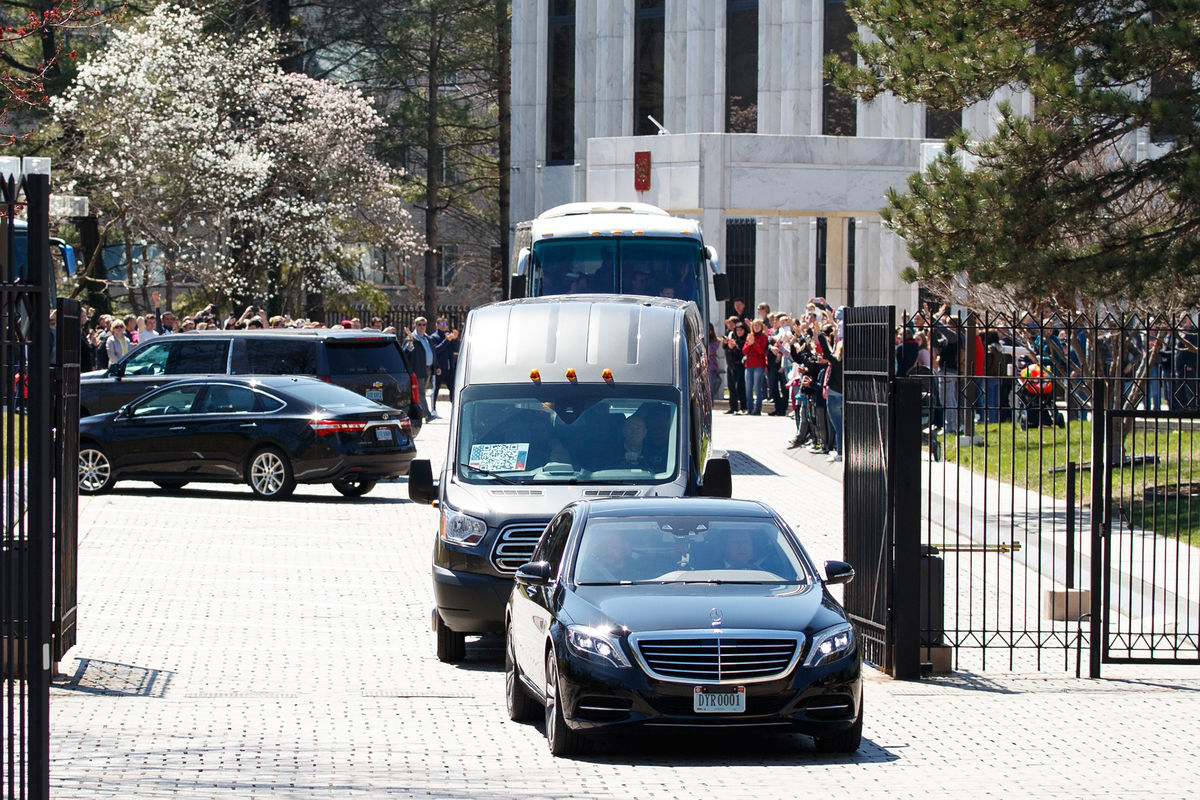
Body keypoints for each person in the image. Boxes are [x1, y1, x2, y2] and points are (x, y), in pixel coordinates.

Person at [402, 316, 436, 421]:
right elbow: (405, 352)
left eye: (423, 324)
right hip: (417, 369)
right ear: (415, 325)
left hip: (427, 369)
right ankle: (427, 415)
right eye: (419, 325)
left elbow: (432, 353)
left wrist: (436, 367)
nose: (421, 327)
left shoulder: (428, 338)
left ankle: (419, 413)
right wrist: (410, 342)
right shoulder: (411, 338)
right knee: (420, 393)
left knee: (422, 393)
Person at [430, 317, 459, 415]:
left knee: (453, 389)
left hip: (449, 368)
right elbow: (436, 350)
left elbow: (456, 349)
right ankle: (433, 410)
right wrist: (446, 341)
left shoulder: (448, 336)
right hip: (439, 368)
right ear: (437, 325)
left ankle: (455, 409)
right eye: (442, 324)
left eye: (445, 324)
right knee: (435, 389)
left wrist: (455, 339)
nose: (444, 326)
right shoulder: (434, 337)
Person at [742, 318, 769, 415]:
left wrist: (754, 343)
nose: (756, 327)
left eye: (758, 325)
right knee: (748, 388)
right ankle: (749, 409)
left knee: (757, 388)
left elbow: (761, 351)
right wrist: (749, 344)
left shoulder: (763, 337)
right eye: (754, 325)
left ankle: (757, 409)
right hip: (749, 365)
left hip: (759, 365)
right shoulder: (750, 336)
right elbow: (744, 351)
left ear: (761, 327)